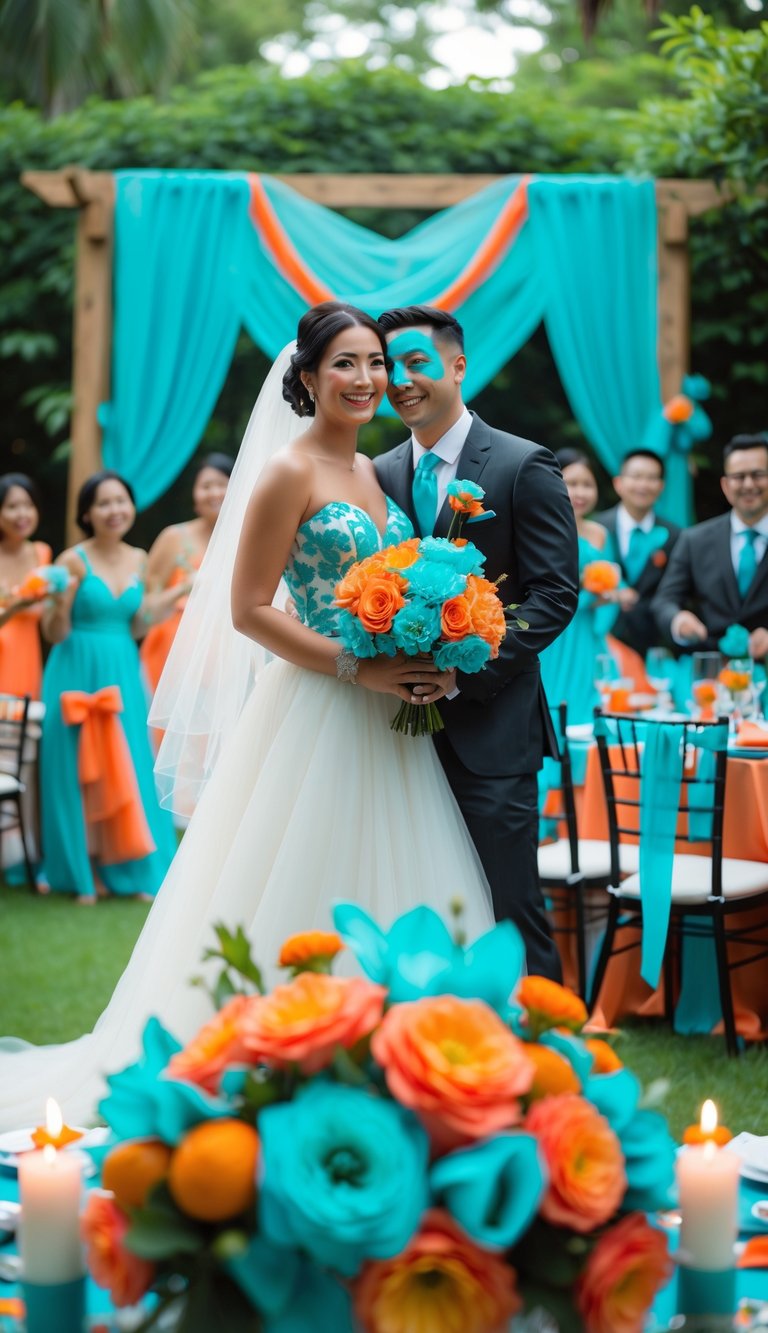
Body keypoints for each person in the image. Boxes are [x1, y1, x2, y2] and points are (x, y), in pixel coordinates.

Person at [0, 303, 494, 1128]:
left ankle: (395, 1066)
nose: (367, 378)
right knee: (298, 875)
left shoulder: (378, 473)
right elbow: (248, 608)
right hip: (317, 710)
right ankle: (280, 1062)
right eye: (345, 363)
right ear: (306, 377)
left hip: (392, 725)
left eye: (376, 362)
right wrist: (354, 665)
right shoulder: (285, 473)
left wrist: (426, 644)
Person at [375, 306, 579, 980]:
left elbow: (553, 595)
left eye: (415, 363)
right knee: (415, 909)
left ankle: (548, 1060)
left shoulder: (523, 464)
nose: (400, 380)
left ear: (458, 366)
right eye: (389, 366)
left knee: (508, 909)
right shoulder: (375, 474)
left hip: (491, 733)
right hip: (391, 738)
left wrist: (461, 673)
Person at [39, 471, 177, 902]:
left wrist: (172, 599)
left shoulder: (140, 559)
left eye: (121, 501)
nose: (114, 510)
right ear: (87, 513)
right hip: (74, 667)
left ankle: (132, 869)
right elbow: (53, 633)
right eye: (103, 503)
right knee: (75, 768)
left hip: (122, 669)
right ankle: (81, 870)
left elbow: (136, 623)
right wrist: (61, 603)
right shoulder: (71, 562)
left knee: (128, 764)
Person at [653, 434, 768, 661]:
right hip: (711, 673)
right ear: (726, 485)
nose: (748, 484)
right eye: (739, 476)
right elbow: (664, 601)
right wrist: (678, 620)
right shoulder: (694, 540)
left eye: (758, 475)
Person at [537, 449, 623, 726]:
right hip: (558, 630)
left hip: (589, 632)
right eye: (572, 483)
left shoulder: (600, 533)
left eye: (587, 484)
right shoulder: (544, 531)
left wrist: (613, 594)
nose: (581, 492)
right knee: (556, 704)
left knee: (592, 707)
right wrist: (589, 596)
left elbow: (612, 576)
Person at [140, 453, 233, 697]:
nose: (214, 492)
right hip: (171, 650)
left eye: (222, 484)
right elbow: (146, 605)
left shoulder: (245, 541)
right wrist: (182, 589)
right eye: (206, 486)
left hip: (227, 653)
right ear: (194, 495)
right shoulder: (173, 538)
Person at [596, 449, 681, 659]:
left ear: (661, 487)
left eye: (651, 478)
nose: (643, 485)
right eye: (636, 476)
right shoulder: (596, 529)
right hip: (602, 643)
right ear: (619, 483)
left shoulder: (675, 536)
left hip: (654, 647)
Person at [0, 474, 52, 698]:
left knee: (23, 729)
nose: (22, 514)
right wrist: (16, 606)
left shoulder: (42, 553)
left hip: (26, 660)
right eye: (12, 506)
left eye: (29, 505)